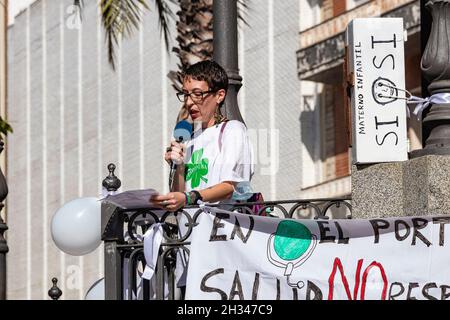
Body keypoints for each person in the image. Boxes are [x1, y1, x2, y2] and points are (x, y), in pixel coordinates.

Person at [151, 60, 254, 210]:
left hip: (223, 227)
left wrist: (190, 197)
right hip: (190, 228)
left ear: (219, 95)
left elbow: (230, 187)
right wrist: (178, 166)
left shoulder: (232, 130)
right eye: (186, 95)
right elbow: (179, 195)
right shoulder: (188, 139)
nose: (189, 102)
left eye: (197, 94)